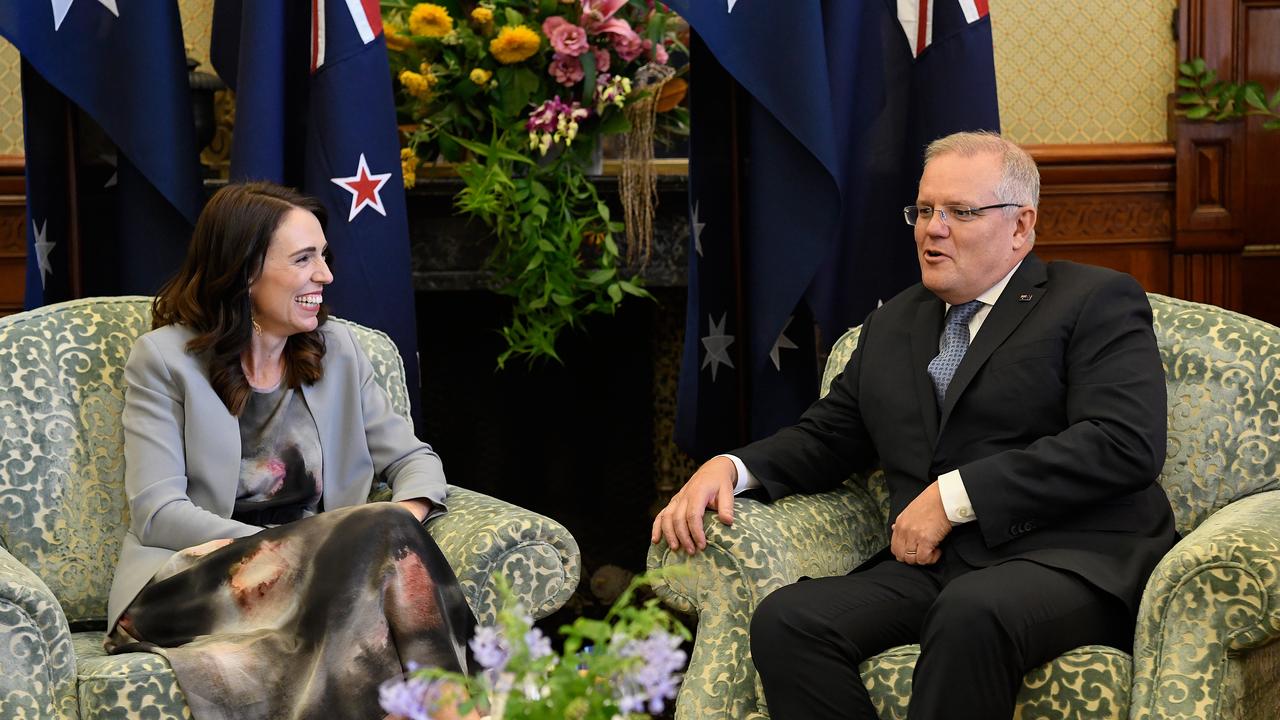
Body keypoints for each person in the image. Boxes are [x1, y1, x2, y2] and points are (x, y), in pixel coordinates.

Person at [651, 131, 1178, 719]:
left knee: (973, 610)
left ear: (1021, 226)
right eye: (924, 210)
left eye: (960, 212)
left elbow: (1122, 442)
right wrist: (730, 466)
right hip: (941, 567)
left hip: (1074, 557)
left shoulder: (1093, 299)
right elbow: (827, 437)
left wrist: (954, 497)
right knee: (790, 620)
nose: (933, 229)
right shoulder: (894, 322)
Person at [105, 182, 476, 720]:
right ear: (244, 271)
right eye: (304, 259)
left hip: (323, 585)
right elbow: (158, 513)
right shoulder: (164, 360)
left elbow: (414, 460)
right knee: (368, 538)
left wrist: (403, 516)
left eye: (324, 256)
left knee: (377, 552)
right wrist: (304, 550)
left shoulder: (342, 351)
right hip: (188, 585)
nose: (325, 275)